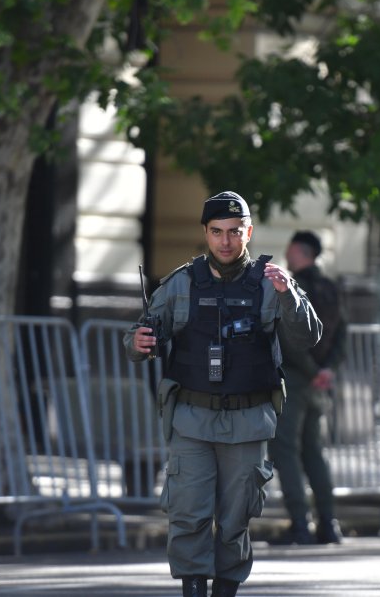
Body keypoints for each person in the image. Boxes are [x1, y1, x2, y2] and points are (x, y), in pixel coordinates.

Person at [125, 191, 322, 597]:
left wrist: (288, 296)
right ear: (206, 233)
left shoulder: (272, 283)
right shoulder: (182, 283)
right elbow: (139, 333)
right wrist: (138, 342)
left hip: (248, 421)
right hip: (192, 420)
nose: (226, 241)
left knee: (235, 521)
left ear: (248, 232)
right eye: (217, 232)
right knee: (189, 516)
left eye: (235, 232)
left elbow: (307, 337)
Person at [268, 230, 346, 546]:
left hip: (296, 379)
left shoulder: (291, 288)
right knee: (314, 452)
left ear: (299, 252)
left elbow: (290, 337)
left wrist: (313, 371)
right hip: (318, 383)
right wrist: (327, 370)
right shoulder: (330, 288)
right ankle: (328, 524)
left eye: (289, 250)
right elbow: (343, 333)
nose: (286, 255)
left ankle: (300, 523)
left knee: (285, 450)